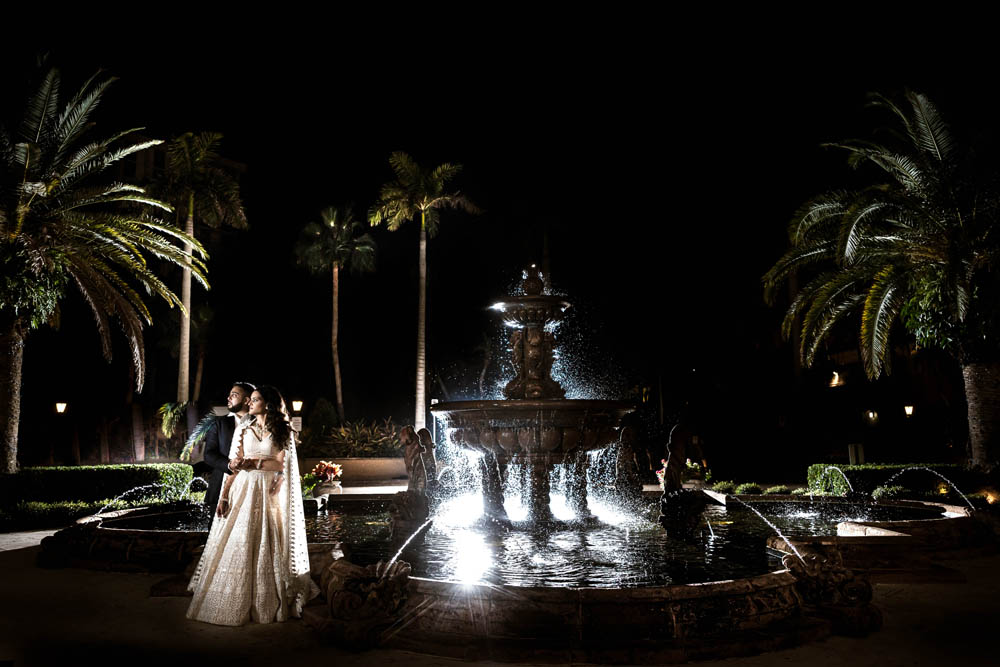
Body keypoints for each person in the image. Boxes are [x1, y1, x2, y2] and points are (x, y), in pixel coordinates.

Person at [187, 385, 319, 626]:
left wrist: (254, 462)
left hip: (268, 492)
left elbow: (281, 466)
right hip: (242, 490)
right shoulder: (243, 429)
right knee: (240, 539)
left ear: (267, 404)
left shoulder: (283, 431)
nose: (250, 403)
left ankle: (267, 600)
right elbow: (234, 467)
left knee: (268, 541)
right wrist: (225, 495)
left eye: (255, 399)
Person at [201, 382, 254, 514]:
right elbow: (208, 455)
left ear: (247, 400)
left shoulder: (259, 423)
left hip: (251, 486)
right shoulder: (219, 423)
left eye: (234, 395)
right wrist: (229, 465)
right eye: (229, 395)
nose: (228, 398)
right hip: (221, 485)